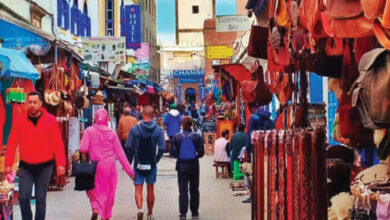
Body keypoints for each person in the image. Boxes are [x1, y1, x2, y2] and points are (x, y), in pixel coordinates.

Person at [5, 91, 66, 220]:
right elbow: (11, 143)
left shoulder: (50, 120)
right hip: (26, 166)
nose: (32, 105)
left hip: (45, 166)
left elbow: (57, 143)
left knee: (40, 198)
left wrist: (61, 163)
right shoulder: (20, 120)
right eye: (29, 102)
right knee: (23, 197)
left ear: (40, 104)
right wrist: (8, 164)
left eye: (34, 102)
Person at [80, 109, 135, 220]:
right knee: (109, 192)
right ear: (106, 119)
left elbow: (83, 148)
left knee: (94, 190)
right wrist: (130, 171)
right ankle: (105, 216)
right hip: (109, 167)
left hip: (94, 166)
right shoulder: (111, 133)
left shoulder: (89, 131)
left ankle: (95, 209)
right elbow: (120, 154)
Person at [126, 105, 166, 220]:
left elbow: (128, 145)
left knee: (138, 188)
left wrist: (135, 154)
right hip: (151, 163)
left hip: (138, 162)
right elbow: (162, 148)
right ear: (153, 116)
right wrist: (156, 159)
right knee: (150, 188)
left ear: (142, 115)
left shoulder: (134, 129)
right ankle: (150, 213)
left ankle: (139, 209)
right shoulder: (158, 130)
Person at [171, 116, 204, 220]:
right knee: (194, 189)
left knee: (183, 190)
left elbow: (173, 153)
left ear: (183, 124)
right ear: (192, 124)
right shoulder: (197, 136)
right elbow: (202, 152)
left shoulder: (177, 137)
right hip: (194, 166)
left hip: (181, 167)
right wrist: (195, 155)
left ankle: (183, 213)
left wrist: (181, 155)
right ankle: (194, 212)